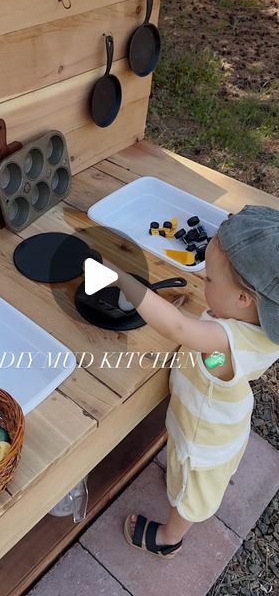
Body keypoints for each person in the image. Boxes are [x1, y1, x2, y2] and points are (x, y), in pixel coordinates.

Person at [103, 205, 279, 559]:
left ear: (244, 299)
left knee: (192, 495)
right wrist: (208, 362)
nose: (202, 280)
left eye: (210, 279)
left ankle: (170, 538)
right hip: (225, 424)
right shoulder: (258, 331)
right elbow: (220, 357)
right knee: (197, 479)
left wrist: (124, 279)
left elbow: (178, 328)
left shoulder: (225, 338)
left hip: (201, 439)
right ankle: (182, 495)